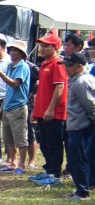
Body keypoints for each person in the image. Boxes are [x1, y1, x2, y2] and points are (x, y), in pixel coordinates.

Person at [30, 33, 68, 184]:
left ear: (55, 48)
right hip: (42, 111)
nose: (42, 48)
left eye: (46, 46)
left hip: (53, 113)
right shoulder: (45, 64)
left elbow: (60, 88)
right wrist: (36, 111)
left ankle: (55, 175)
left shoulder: (58, 64)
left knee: (54, 144)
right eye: (42, 46)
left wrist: (51, 108)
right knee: (44, 143)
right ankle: (48, 169)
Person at [0, 41, 31, 175]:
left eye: (16, 50)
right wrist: (1, 109)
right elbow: (8, 90)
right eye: (11, 50)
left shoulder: (22, 66)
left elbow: (15, 84)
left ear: (21, 53)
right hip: (8, 106)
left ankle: (22, 164)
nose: (13, 52)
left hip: (18, 107)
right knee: (8, 138)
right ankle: (12, 162)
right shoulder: (11, 66)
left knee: (20, 137)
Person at [63, 51, 95, 200]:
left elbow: (90, 105)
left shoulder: (81, 82)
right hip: (77, 125)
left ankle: (82, 192)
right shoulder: (80, 79)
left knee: (78, 159)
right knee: (80, 158)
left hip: (80, 126)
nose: (66, 69)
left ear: (79, 66)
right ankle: (82, 188)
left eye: (70, 66)